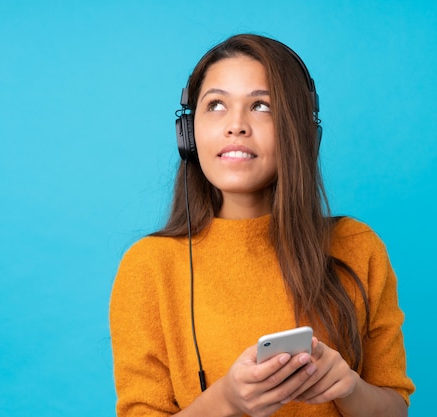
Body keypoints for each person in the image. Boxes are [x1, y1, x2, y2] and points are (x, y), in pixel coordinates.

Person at [110, 33, 415, 417]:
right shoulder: (149, 268)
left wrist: (349, 387)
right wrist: (227, 401)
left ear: (301, 132)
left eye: (261, 106)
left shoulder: (357, 245)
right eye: (216, 105)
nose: (236, 125)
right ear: (188, 134)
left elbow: (395, 408)